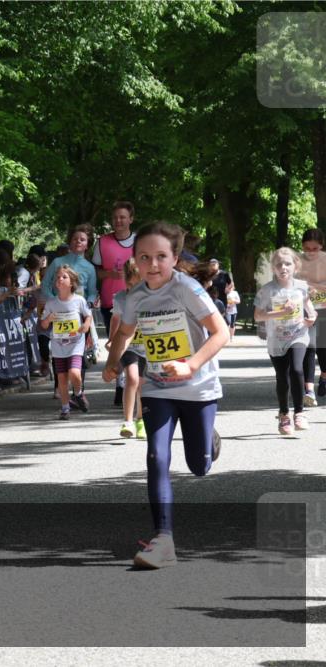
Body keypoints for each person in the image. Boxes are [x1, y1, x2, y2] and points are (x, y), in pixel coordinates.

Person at [103, 222, 229, 570]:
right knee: (157, 456)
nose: (153, 264)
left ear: (174, 258)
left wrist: (190, 365)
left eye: (161, 256)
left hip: (197, 386)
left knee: (198, 465)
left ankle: (209, 441)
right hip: (158, 386)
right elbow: (125, 332)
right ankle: (163, 538)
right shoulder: (134, 297)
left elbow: (220, 333)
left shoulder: (187, 289)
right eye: (145, 257)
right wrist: (113, 362)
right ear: (135, 260)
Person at [254, 248, 317, 435]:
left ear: (295, 266)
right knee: (282, 377)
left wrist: (311, 317)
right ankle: (284, 414)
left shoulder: (302, 287)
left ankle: (299, 413)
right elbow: (258, 316)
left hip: (298, 335)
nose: (283, 267)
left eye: (288, 263)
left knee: (297, 369)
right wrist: (281, 313)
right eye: (279, 264)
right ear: (273, 267)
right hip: (277, 340)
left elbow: (309, 308)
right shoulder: (266, 291)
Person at [40, 266, 93, 419]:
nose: (59, 280)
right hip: (58, 345)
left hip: (76, 343)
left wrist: (86, 325)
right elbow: (43, 325)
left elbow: (88, 316)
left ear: (72, 283)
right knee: (62, 379)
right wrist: (48, 319)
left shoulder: (79, 300)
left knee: (75, 373)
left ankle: (78, 394)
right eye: (58, 277)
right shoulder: (51, 303)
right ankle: (65, 408)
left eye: (64, 277)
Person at [109, 259, 146, 439]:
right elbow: (116, 320)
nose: (133, 289)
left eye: (138, 284)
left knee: (142, 384)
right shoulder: (121, 298)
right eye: (130, 284)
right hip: (129, 347)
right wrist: (111, 339)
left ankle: (140, 419)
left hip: (148, 348)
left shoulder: (153, 298)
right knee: (131, 379)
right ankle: (128, 421)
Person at [92, 201, 136, 332]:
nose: (118, 220)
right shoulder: (102, 242)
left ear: (131, 219)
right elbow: (94, 273)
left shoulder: (140, 241)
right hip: (110, 303)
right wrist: (109, 274)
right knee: (114, 345)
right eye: (115, 217)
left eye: (122, 217)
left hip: (137, 301)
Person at [297, 229, 326, 400]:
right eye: (307, 248)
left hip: (324, 308)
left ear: (321, 246)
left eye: (315, 248)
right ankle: (308, 390)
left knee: (323, 348)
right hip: (305, 308)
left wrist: (312, 284)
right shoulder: (298, 262)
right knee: (310, 346)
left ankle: (323, 376)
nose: (311, 252)